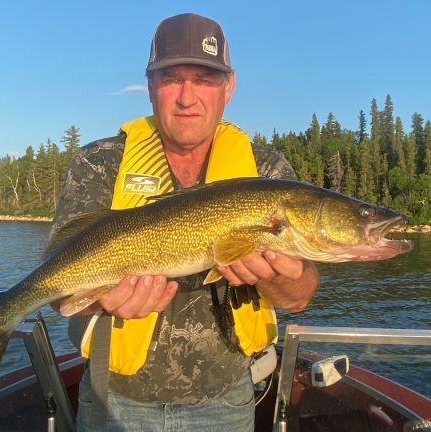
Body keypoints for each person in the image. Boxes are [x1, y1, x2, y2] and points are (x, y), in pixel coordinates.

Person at [51, 13, 319, 432]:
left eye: (206, 79)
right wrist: (102, 297)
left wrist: (275, 278)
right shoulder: (100, 162)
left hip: (224, 399)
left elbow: (300, 296)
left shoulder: (267, 174)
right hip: (114, 395)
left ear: (229, 87)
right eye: (172, 77)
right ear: (151, 85)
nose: (187, 96)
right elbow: (57, 285)